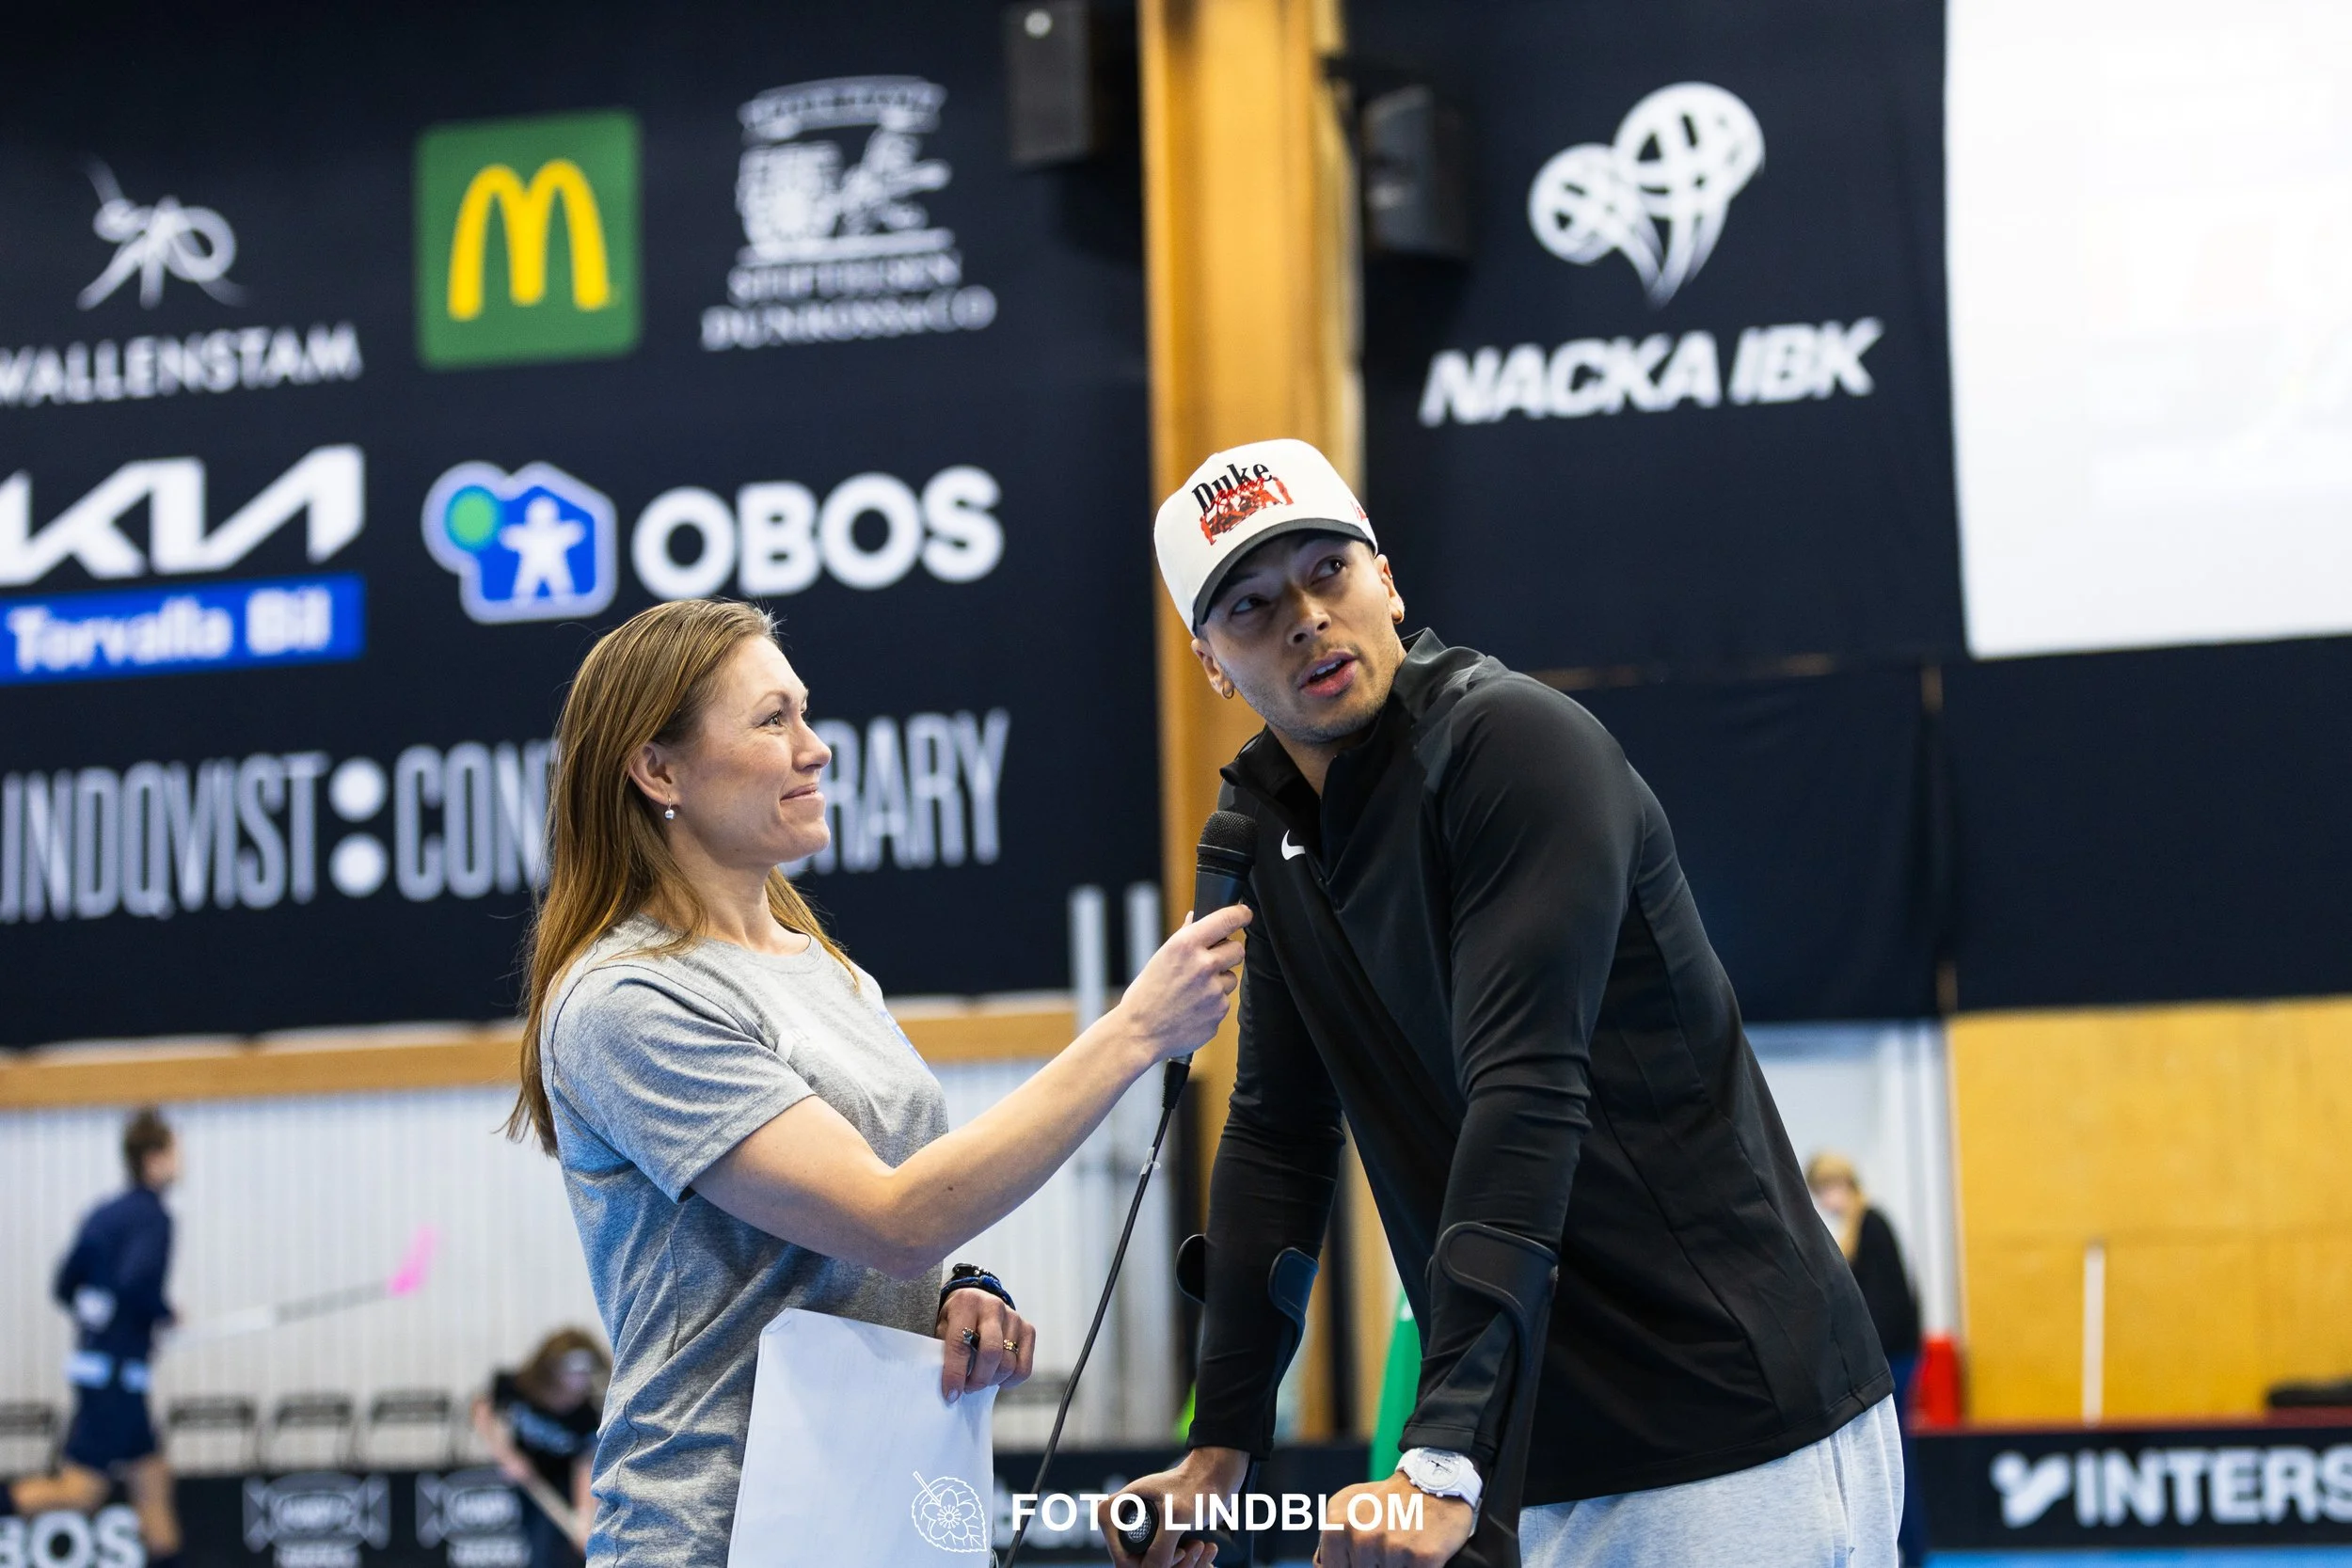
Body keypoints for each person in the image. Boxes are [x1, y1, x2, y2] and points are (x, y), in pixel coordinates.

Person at [1114, 440, 1899, 1568]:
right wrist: (1222, 1442)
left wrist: (1436, 1454)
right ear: (1212, 661)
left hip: (1720, 1425)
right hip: (1519, 1453)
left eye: (1326, 571)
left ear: (1385, 578)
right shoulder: (1269, 834)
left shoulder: (1513, 747)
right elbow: (1278, 1135)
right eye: (1249, 604)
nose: (1302, 617)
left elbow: (1524, 1092)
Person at [509, 597, 1251, 1568]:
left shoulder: (827, 968)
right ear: (659, 770)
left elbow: (873, 1243)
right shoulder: (627, 998)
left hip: (884, 1512)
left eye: (804, 712)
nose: (814, 748)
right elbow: (891, 1215)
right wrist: (1133, 1031)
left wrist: (954, 1290)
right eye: (772, 719)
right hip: (716, 1534)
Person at [0, 1109, 183, 1568]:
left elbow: (65, 1284)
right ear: (153, 1159)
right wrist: (164, 1314)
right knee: (81, 1492)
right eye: (176, 1153)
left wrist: (100, 1314)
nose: (182, 1164)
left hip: (107, 1371)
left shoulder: (104, 1214)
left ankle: (170, 1559)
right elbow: (135, 1285)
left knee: (154, 1479)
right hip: (115, 1378)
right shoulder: (153, 1217)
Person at [1806, 1151, 1928, 1564]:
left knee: (1896, 1459)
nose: (1825, 1199)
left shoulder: (1873, 1224)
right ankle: (1908, 1547)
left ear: (1845, 1184)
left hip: (1895, 1360)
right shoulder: (1853, 1232)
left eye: (1827, 1189)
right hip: (1890, 1358)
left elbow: (1891, 1304)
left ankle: (1914, 1549)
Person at [473, 1330, 609, 1568]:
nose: (581, 1379)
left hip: (561, 1483)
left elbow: (583, 1467)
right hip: (526, 1476)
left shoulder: (586, 1415)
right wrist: (507, 1457)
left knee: (557, 1550)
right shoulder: (518, 1387)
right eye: (573, 1371)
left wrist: (584, 1518)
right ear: (554, 1369)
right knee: (536, 1542)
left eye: (586, 1371)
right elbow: (481, 1410)